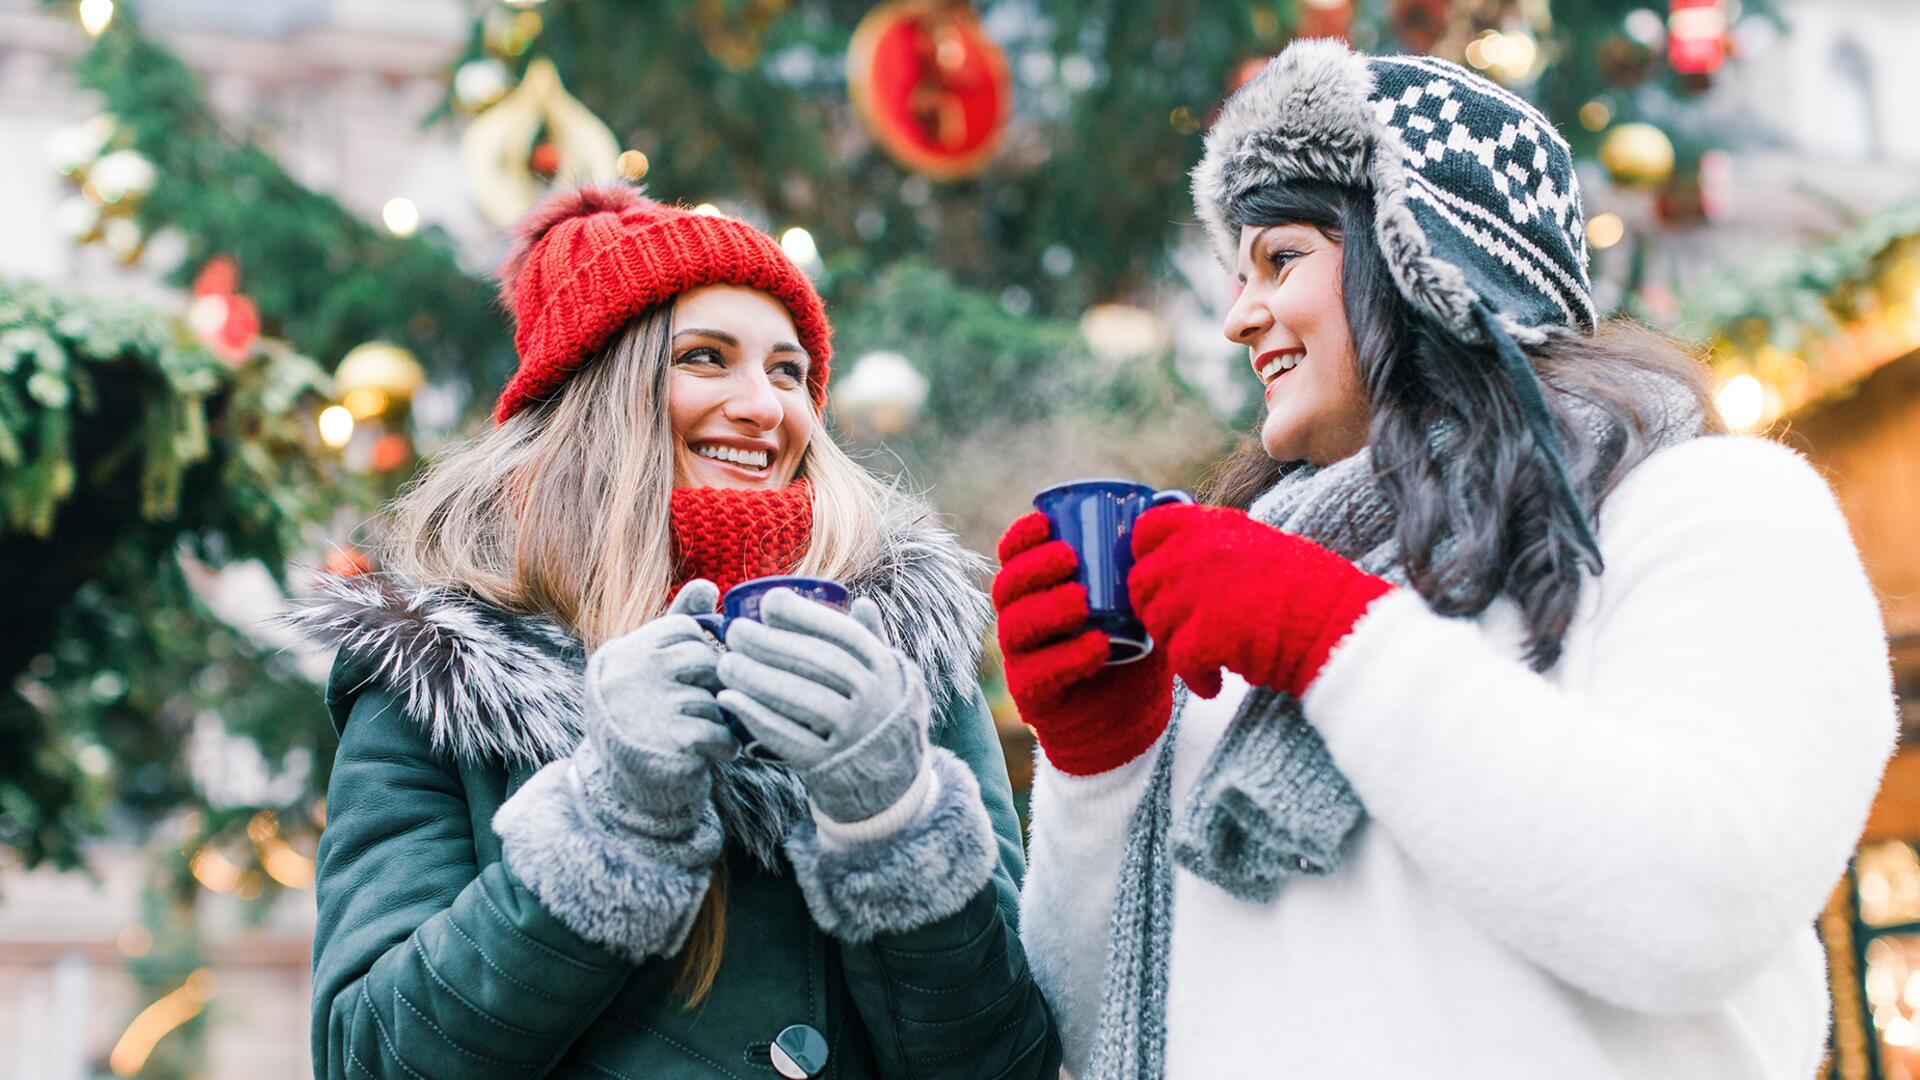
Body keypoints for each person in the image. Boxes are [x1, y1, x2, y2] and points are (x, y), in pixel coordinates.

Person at [995, 39, 1894, 1080]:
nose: (1243, 315)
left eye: (1282, 257)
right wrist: (1099, 765)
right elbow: (1095, 1026)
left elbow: (1700, 905)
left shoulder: (1705, 506)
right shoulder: (1245, 594)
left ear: (1422, 254)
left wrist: (1333, 640)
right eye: (1234, 274)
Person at [290, 185, 1058, 1079]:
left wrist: (891, 819)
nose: (765, 407)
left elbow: (1011, 1063)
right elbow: (372, 1058)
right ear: (597, 396)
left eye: (788, 371)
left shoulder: (901, 659)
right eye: (706, 358)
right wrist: (607, 822)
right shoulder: (445, 675)